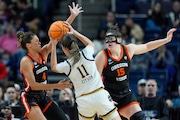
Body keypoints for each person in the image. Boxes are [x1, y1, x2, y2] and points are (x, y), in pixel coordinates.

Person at [17, 2, 83, 120]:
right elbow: (33, 85)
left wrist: (72, 16)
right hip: (29, 97)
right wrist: (56, 86)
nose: (39, 42)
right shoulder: (26, 61)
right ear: (28, 45)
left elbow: (60, 32)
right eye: (36, 41)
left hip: (42, 96)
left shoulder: (42, 53)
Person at [94, 25, 176, 120]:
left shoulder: (128, 50)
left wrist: (165, 40)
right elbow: (95, 81)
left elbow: (146, 46)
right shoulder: (102, 56)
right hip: (108, 95)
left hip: (125, 94)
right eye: (107, 39)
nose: (108, 41)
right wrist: (103, 99)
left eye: (111, 39)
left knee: (140, 117)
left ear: (119, 40)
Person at [50, 23, 121, 120]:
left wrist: (53, 46)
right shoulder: (86, 53)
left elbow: (53, 67)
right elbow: (91, 44)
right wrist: (75, 32)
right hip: (99, 94)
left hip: (84, 100)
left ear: (64, 48)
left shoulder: (67, 65)